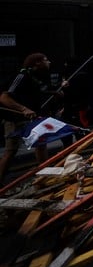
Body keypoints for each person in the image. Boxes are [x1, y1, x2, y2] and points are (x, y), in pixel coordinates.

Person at [0, 53, 55, 183]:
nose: (49, 62)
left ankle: (45, 176)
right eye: (46, 60)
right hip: (15, 120)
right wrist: (23, 109)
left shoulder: (36, 77)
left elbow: (33, 93)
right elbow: (4, 97)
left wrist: (54, 92)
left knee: (41, 144)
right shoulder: (21, 76)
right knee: (11, 151)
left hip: (32, 119)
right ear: (37, 63)